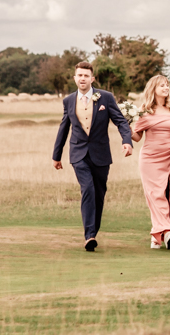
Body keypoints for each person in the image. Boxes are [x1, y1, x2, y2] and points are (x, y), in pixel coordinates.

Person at [51, 61, 133, 251]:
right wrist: (57, 156)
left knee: (99, 193)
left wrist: (126, 141)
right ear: (74, 78)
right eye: (79, 75)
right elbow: (64, 128)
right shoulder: (68, 100)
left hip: (101, 154)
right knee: (87, 188)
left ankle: (93, 231)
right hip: (78, 153)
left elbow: (120, 121)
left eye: (86, 76)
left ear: (92, 78)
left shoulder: (105, 97)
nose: (82, 78)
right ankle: (89, 235)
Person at [132, 75, 170, 250]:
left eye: (167, 85)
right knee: (155, 194)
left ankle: (159, 235)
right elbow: (137, 137)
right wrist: (127, 127)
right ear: (153, 89)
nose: (166, 88)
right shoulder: (144, 110)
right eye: (162, 86)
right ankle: (166, 232)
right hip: (149, 159)